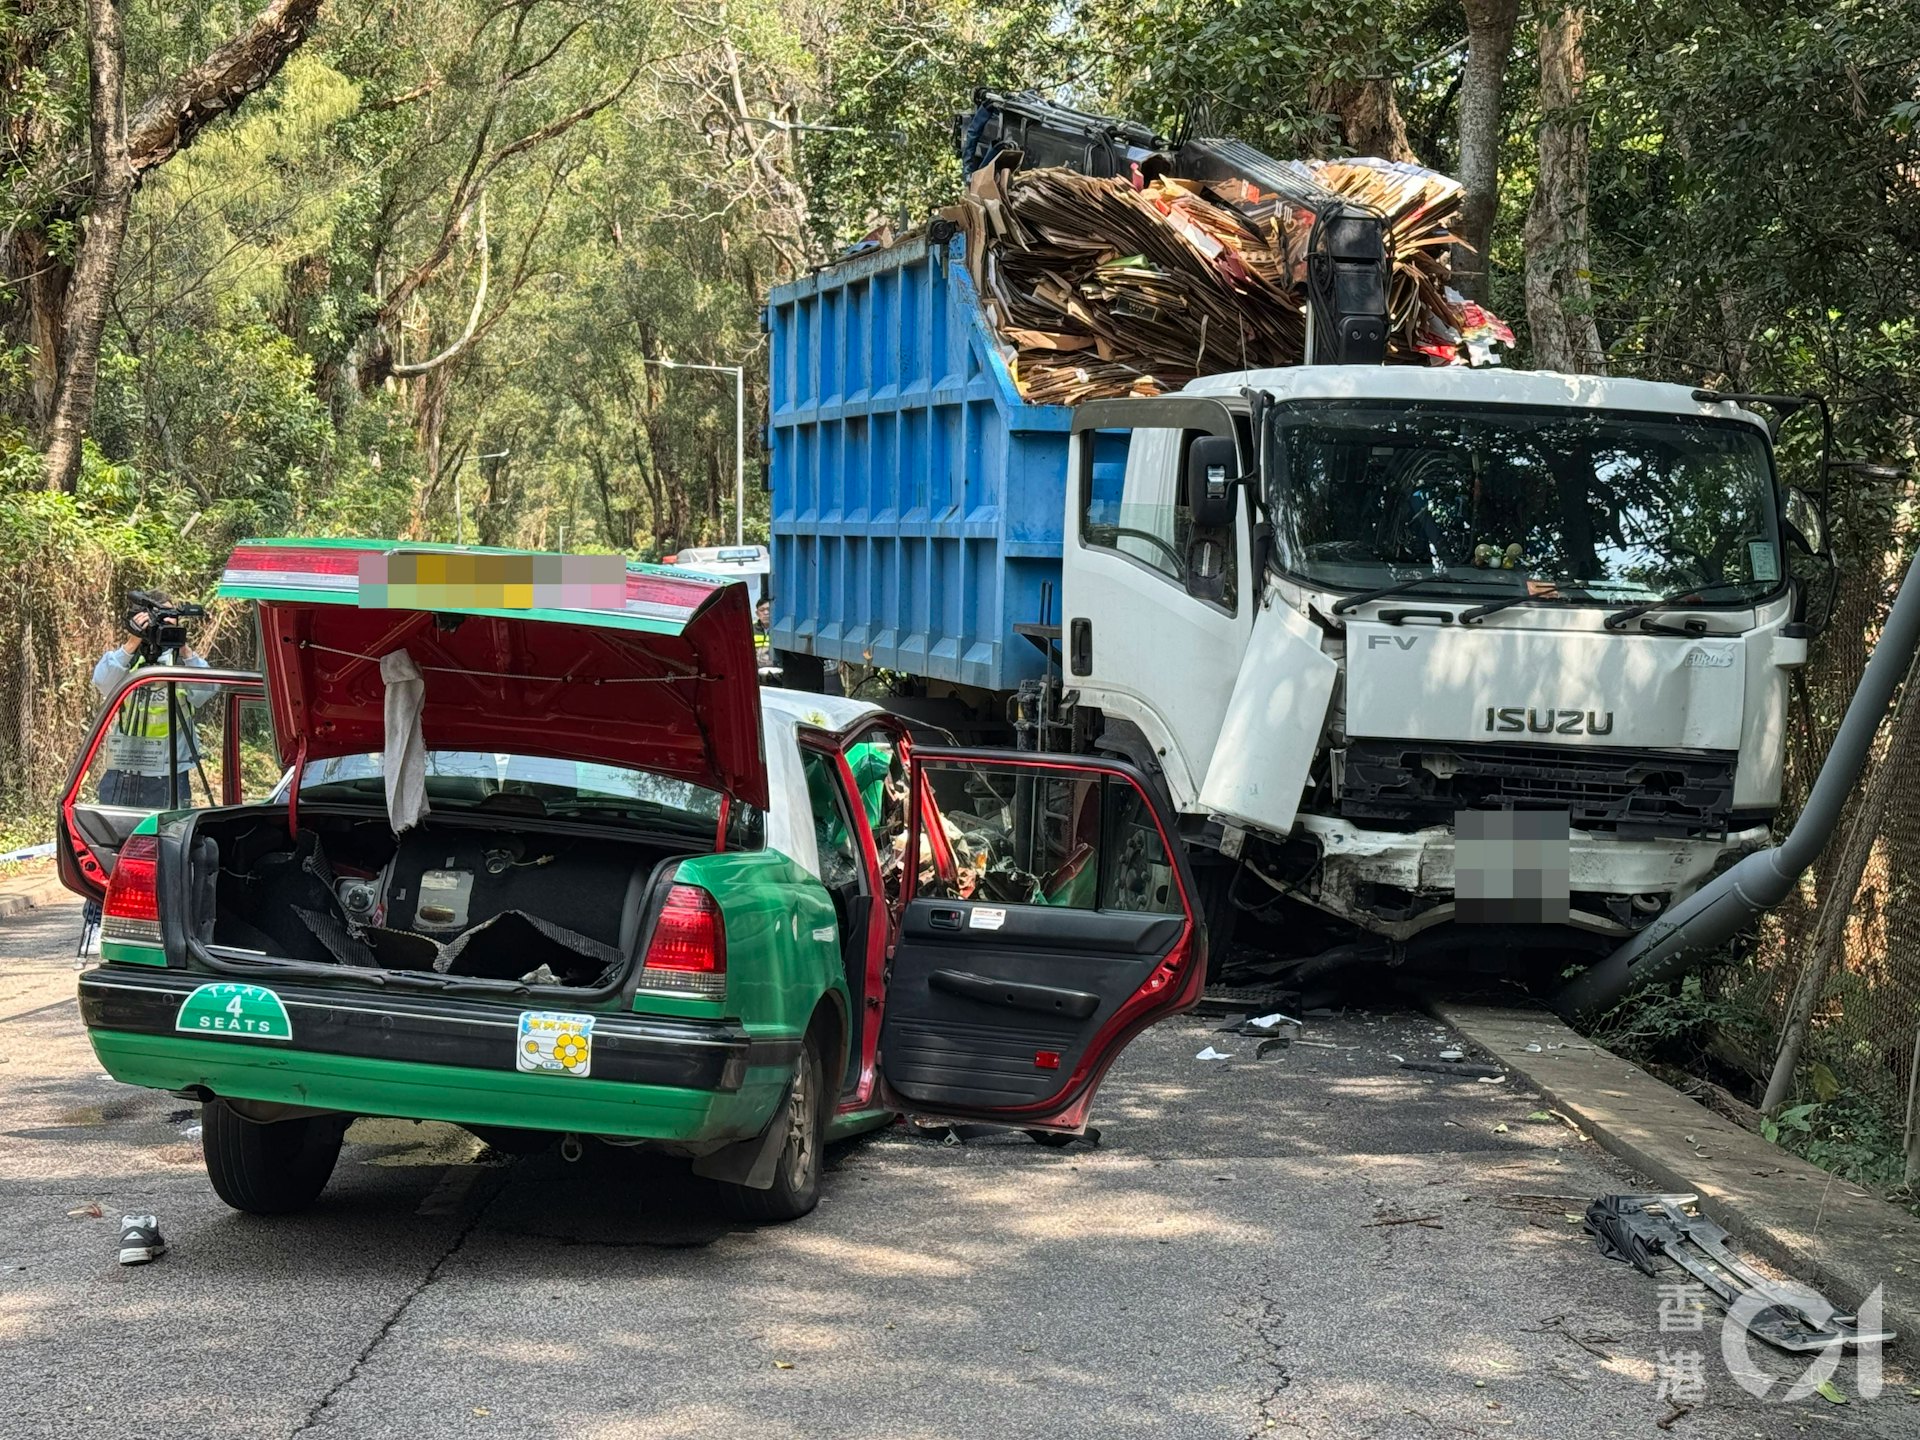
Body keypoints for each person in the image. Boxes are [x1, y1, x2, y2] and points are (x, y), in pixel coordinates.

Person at [80, 603, 215, 943]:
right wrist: (132, 642)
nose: (160, 627)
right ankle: (98, 920)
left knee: (172, 849)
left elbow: (207, 689)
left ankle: (167, 921)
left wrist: (182, 646)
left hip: (171, 771)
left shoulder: (180, 666)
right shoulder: (129, 663)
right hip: (126, 770)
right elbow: (102, 681)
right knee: (110, 847)